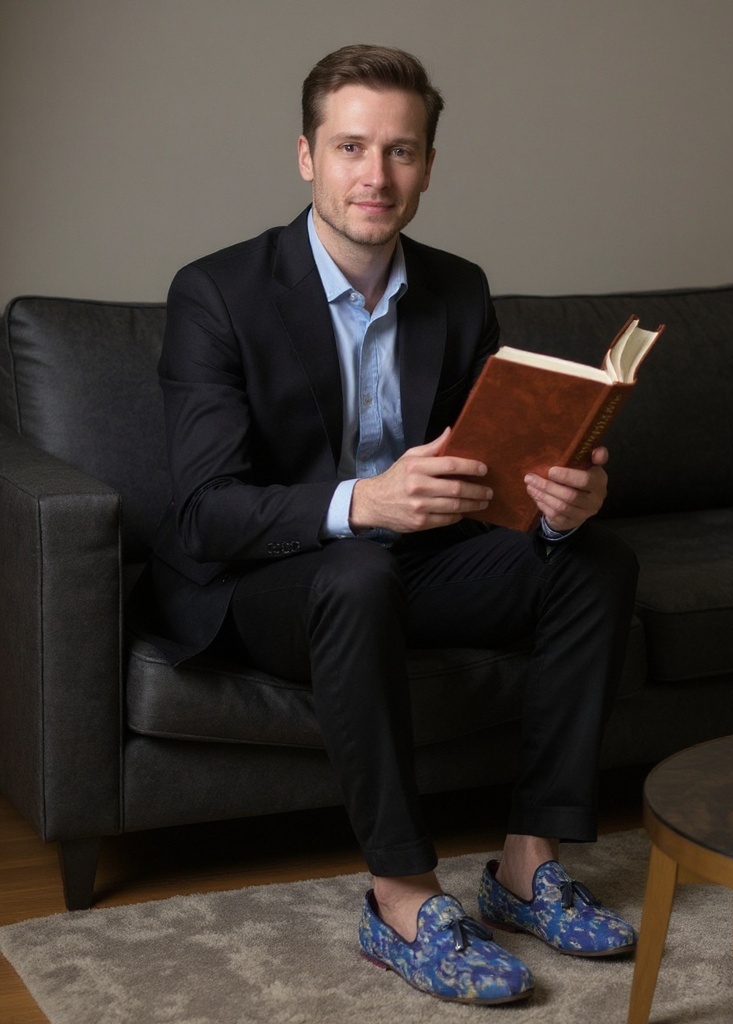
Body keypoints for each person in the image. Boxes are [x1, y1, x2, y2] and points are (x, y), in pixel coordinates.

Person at [136, 43, 639, 1005]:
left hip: (420, 559)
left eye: (401, 152)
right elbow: (204, 512)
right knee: (358, 574)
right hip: (263, 578)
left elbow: (487, 481)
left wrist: (563, 503)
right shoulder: (215, 293)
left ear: (428, 167)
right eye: (352, 147)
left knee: (596, 561)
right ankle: (402, 899)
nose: (376, 176)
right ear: (306, 157)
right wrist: (362, 502)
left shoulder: (458, 288)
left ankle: (528, 868)